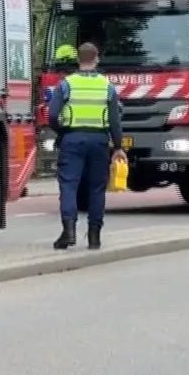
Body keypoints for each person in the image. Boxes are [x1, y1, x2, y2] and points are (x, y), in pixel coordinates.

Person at [46, 42, 125, 250]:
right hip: (99, 140)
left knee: (69, 185)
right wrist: (118, 146)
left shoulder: (66, 85)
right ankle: (94, 236)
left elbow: (52, 114)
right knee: (97, 188)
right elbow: (116, 120)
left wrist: (61, 131)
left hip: (72, 138)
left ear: (78, 59)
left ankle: (69, 231)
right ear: (96, 58)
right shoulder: (107, 86)